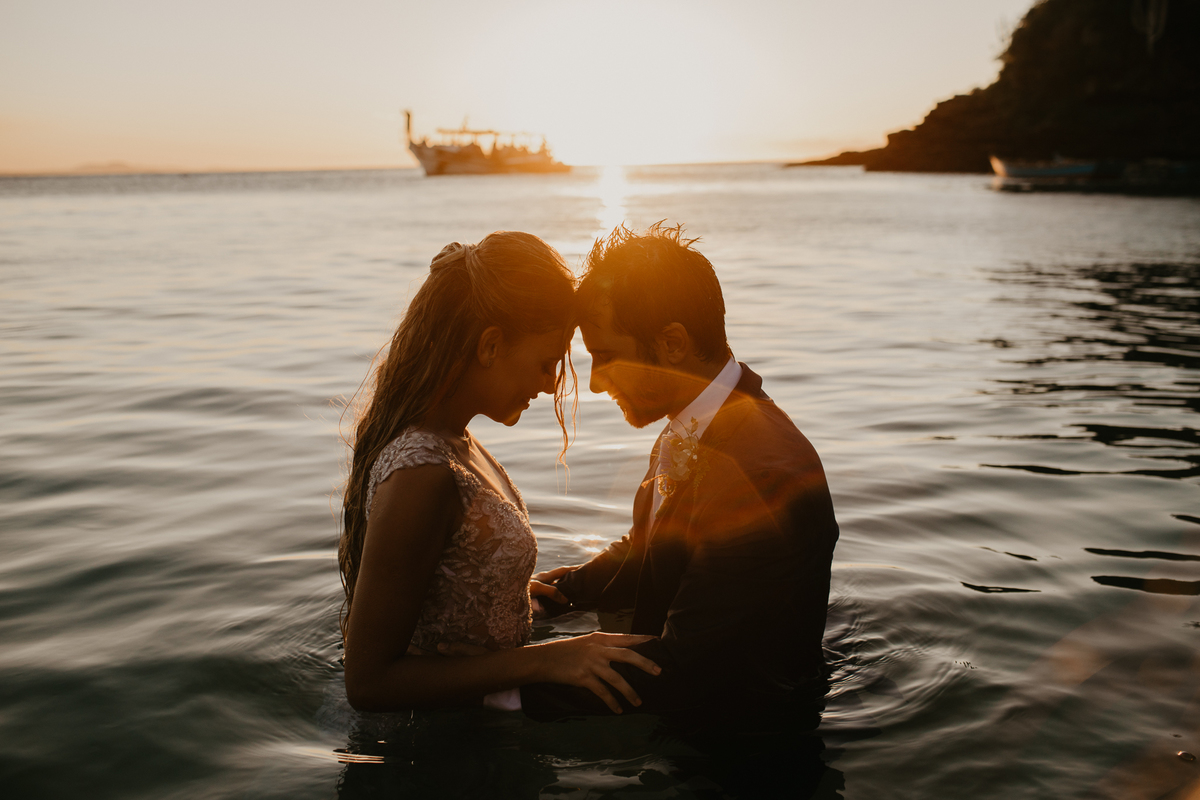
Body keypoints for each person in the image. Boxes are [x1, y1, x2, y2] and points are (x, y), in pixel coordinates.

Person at [522, 223, 840, 720]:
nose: (597, 383)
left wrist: (493, 685)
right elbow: (649, 548)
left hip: (743, 753)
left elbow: (684, 672)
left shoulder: (760, 477)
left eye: (605, 356)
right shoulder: (697, 421)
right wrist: (554, 597)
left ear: (671, 343)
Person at [338, 231, 661, 715]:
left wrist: (496, 590)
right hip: (441, 750)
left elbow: (445, 572)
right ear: (490, 345)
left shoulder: (456, 441)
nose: (551, 382)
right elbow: (368, 684)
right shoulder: (420, 473)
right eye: (546, 361)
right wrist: (544, 660)